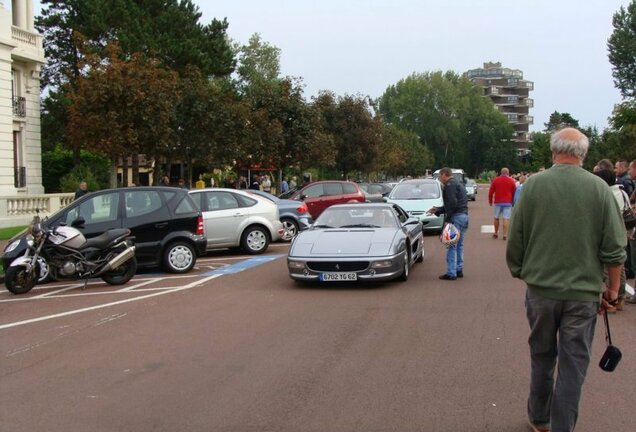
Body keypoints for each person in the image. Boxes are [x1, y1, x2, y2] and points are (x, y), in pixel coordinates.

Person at [506, 128, 626, 432]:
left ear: (552, 151)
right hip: (583, 293)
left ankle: (539, 417)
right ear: (583, 154)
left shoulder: (533, 186)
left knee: (542, 356)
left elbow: (516, 239)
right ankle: (563, 427)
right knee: (574, 366)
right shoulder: (599, 189)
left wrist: (521, 270)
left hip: (541, 290)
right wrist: (612, 289)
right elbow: (615, 248)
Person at [594, 168, 630, 312]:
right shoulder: (619, 192)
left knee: (616, 266)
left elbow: (614, 218)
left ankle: (617, 298)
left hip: (617, 232)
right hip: (622, 231)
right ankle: (617, 297)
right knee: (617, 265)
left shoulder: (611, 194)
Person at [426, 167, 469, 280]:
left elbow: (451, 204)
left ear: (445, 174)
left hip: (455, 217)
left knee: (451, 245)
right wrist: (439, 210)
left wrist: (448, 221)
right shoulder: (459, 184)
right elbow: (456, 203)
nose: (440, 179)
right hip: (464, 216)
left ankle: (451, 272)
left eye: (440, 176)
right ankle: (459, 269)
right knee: (459, 245)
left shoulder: (449, 186)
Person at [488, 167, 516, 240]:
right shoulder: (511, 181)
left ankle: (496, 233)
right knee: (506, 218)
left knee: (496, 217)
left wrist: (490, 201)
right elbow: (514, 192)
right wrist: (513, 201)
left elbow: (491, 192)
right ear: (508, 173)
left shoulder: (496, 180)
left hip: (498, 202)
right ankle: (505, 235)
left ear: (501, 172)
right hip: (508, 202)